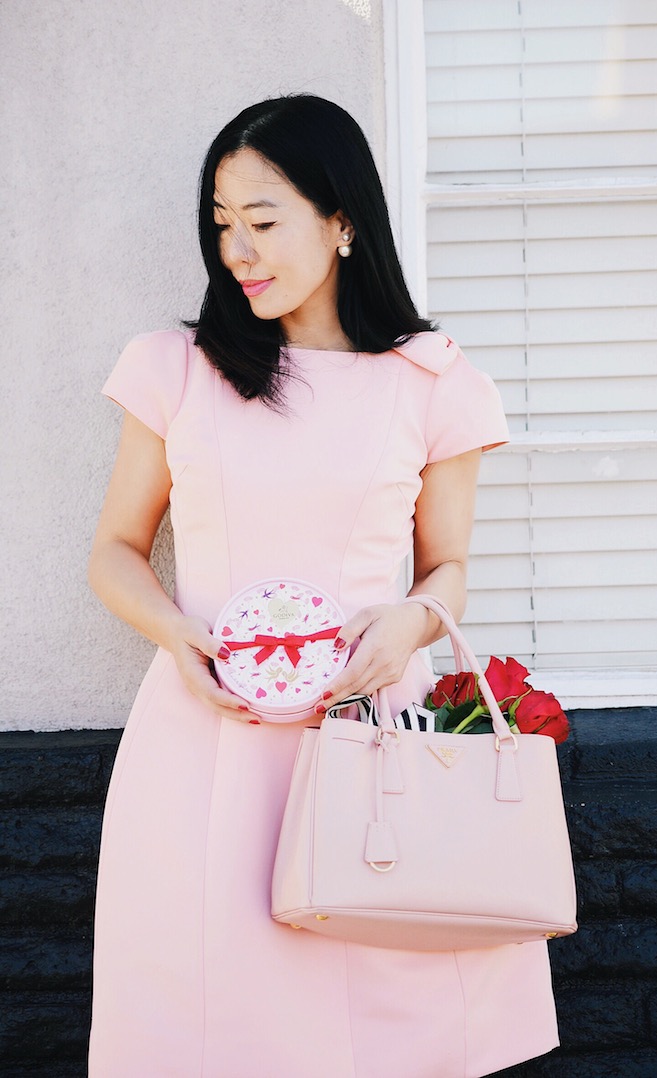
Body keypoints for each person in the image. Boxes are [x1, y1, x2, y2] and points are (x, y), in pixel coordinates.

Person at [87, 94, 558, 1077]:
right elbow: (116, 550)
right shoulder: (175, 368)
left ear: (342, 221)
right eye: (222, 225)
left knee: (383, 1020)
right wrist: (176, 635)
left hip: (366, 738)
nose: (237, 251)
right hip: (206, 738)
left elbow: (450, 570)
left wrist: (415, 621)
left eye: (262, 222)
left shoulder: (433, 382)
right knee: (208, 1019)